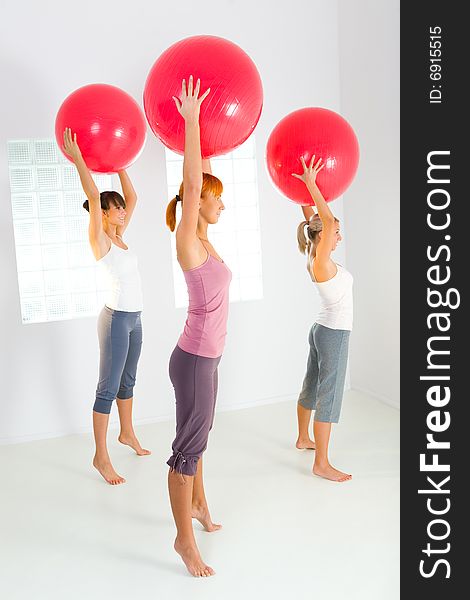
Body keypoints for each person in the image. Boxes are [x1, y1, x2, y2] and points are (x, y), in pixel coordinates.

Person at [165, 77, 231, 577]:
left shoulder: (206, 240)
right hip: (192, 361)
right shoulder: (188, 238)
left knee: (200, 435)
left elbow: (202, 175)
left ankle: (200, 505)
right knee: (186, 450)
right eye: (216, 198)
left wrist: (206, 130)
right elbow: (192, 184)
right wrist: (188, 121)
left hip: (206, 358)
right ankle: (183, 542)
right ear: (199, 203)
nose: (221, 203)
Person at [63, 128, 150, 486]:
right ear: (103, 213)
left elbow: (133, 195)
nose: (121, 210)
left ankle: (126, 432)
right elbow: (93, 193)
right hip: (115, 320)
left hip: (136, 319)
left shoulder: (120, 235)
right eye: (115, 208)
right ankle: (100, 456)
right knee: (108, 387)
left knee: (129, 380)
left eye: (119, 208)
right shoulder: (100, 238)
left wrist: (119, 162)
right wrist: (80, 157)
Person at [294, 155, 353, 482]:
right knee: (328, 396)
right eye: (336, 233)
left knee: (311, 385)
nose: (338, 236)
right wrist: (311, 182)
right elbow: (327, 222)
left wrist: (306, 194)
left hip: (321, 329)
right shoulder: (320, 262)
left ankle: (304, 438)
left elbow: (318, 222)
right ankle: (322, 462)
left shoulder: (315, 256)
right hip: (334, 335)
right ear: (324, 237)